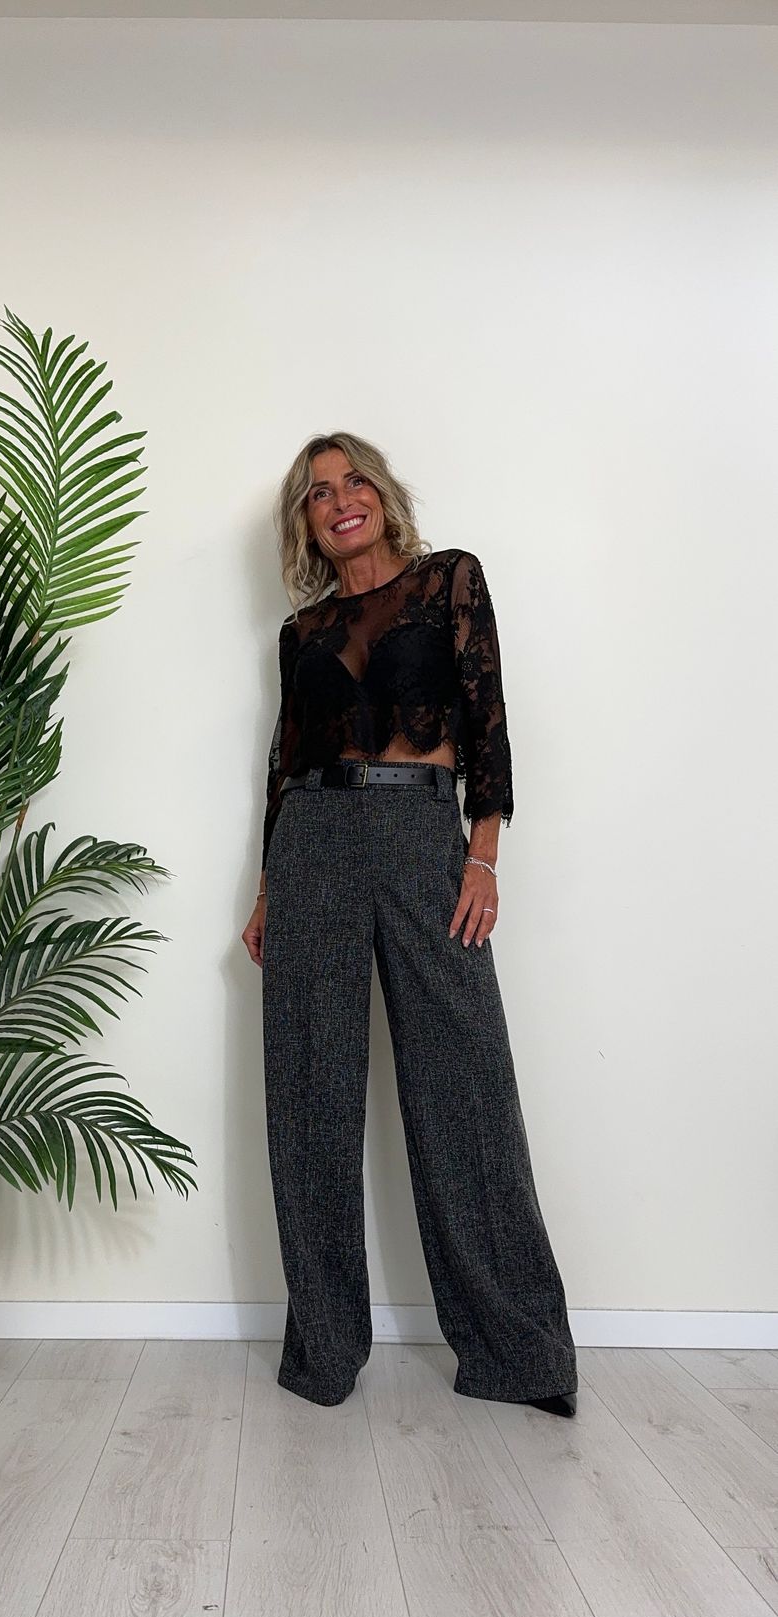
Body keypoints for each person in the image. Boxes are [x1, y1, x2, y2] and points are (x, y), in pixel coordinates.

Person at [241, 431, 578, 1417]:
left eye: (353, 482)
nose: (339, 500)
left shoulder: (447, 580)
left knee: (464, 1086)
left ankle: (517, 1356)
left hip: (419, 833)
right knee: (309, 1094)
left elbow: (487, 720)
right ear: (304, 522)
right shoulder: (300, 630)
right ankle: (323, 1351)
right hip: (310, 844)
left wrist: (483, 853)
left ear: (382, 495)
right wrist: (265, 889)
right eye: (317, 493)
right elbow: (283, 763)